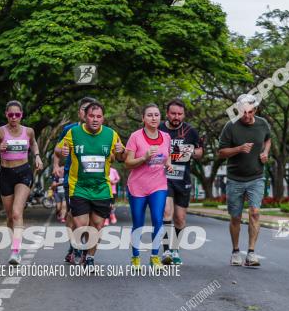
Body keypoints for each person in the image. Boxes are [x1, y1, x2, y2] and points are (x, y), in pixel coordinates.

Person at [58, 101, 125, 268]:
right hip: (79, 186)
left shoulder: (111, 134)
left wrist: (120, 151)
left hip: (102, 188)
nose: (95, 119)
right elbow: (58, 151)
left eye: (99, 116)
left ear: (103, 118)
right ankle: (78, 247)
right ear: (84, 117)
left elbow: (122, 158)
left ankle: (90, 257)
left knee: (97, 225)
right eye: (91, 116)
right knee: (81, 225)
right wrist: (63, 152)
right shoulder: (73, 133)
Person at [218, 94, 271, 267]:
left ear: (255, 110)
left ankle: (251, 253)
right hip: (235, 178)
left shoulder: (263, 123)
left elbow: (268, 139)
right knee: (236, 217)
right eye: (243, 112)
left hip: (256, 176)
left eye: (250, 112)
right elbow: (222, 152)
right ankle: (235, 251)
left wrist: (265, 152)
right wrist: (239, 149)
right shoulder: (230, 126)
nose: (246, 116)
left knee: (255, 212)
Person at [0, 100, 42, 266]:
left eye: (17, 114)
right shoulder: (0, 131)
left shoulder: (29, 131)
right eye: (10, 114)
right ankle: (14, 245)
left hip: (24, 173)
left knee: (17, 212)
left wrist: (38, 156)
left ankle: (15, 251)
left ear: (21, 115)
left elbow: (33, 144)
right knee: (10, 216)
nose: (13, 117)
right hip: (6, 174)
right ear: (6, 115)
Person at [124, 104, 174, 268]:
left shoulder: (166, 137)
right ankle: (136, 257)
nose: (154, 118)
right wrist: (144, 157)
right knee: (138, 222)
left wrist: (169, 165)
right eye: (150, 115)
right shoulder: (135, 137)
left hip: (158, 184)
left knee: (158, 220)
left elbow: (166, 156)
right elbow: (128, 163)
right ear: (143, 118)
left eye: (156, 115)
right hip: (137, 186)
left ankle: (154, 256)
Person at [159, 99, 203, 265]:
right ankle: (166, 251)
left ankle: (175, 248)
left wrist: (190, 152)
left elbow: (199, 152)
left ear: (184, 114)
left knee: (179, 218)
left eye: (179, 114)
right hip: (163, 177)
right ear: (167, 114)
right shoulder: (160, 129)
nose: (176, 117)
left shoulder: (190, 131)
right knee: (166, 212)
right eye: (173, 113)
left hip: (182, 178)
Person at [55, 96, 98, 264]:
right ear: (80, 112)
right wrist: (56, 166)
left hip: (94, 182)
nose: (89, 113)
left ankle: (85, 248)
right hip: (71, 179)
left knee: (91, 218)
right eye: (85, 109)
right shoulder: (70, 129)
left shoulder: (101, 131)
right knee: (73, 214)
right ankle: (74, 246)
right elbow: (58, 150)